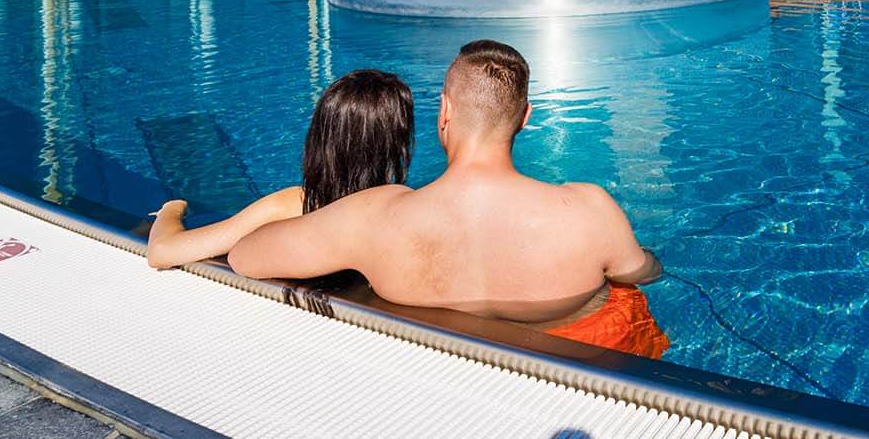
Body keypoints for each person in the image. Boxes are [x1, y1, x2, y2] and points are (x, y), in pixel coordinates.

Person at [228, 39, 668, 357]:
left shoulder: (375, 217)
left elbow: (245, 257)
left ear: (445, 111)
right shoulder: (589, 210)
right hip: (579, 372)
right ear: (525, 118)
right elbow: (644, 271)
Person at [145, 68, 413, 270]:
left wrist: (172, 208)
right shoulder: (402, 211)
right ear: (395, 146)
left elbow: (161, 251)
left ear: (320, 136)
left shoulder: (293, 206)